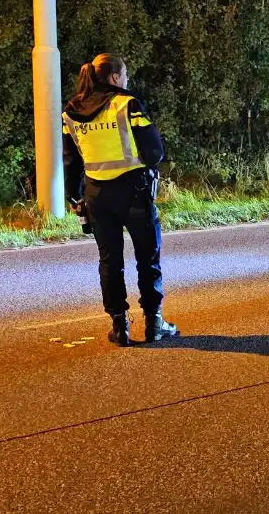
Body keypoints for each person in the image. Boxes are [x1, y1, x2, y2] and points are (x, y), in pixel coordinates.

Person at [62, 53, 179, 346]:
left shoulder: (71, 112)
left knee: (110, 261)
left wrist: (75, 197)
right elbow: (154, 153)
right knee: (147, 257)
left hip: (96, 195)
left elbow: (70, 161)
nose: (126, 81)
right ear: (115, 78)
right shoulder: (127, 105)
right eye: (124, 75)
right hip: (134, 191)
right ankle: (154, 322)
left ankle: (120, 326)